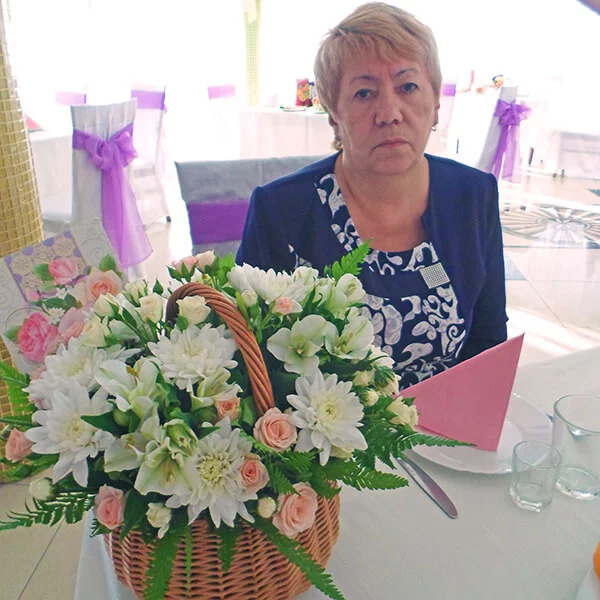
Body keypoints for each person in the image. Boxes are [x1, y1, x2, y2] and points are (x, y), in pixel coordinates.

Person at [236, 2, 507, 389]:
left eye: (407, 87)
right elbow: (252, 361)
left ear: (435, 104)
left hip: (449, 420)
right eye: (364, 93)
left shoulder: (473, 195)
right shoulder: (281, 211)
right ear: (334, 114)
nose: (389, 113)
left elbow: (488, 341)